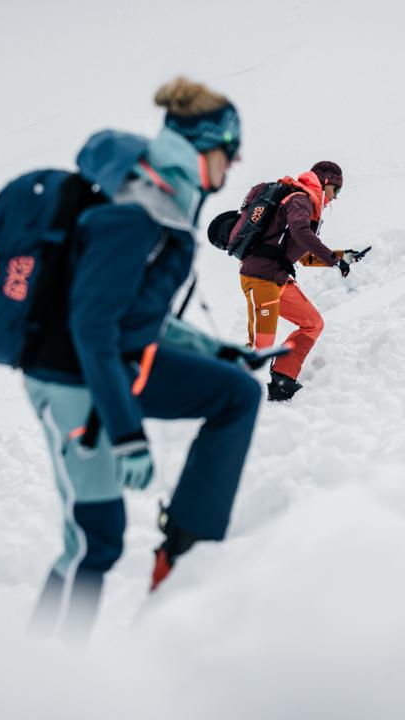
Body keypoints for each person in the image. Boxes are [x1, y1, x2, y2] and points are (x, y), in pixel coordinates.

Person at [23, 77, 262, 641]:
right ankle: (39, 673)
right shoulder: (134, 213)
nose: (235, 162)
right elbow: (92, 326)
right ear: (202, 149)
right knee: (94, 540)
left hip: (111, 363)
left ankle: (184, 557)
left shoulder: (164, 203)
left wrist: (213, 349)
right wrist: (128, 434)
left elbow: (134, 315)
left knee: (235, 392)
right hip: (70, 375)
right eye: (230, 149)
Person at [238, 161, 359, 402]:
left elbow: (302, 254)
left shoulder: (306, 205)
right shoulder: (300, 199)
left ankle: (282, 379)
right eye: (336, 190)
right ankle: (219, 389)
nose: (335, 197)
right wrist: (333, 261)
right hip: (260, 277)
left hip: (278, 278)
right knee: (261, 346)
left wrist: (341, 257)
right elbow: (300, 232)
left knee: (312, 323)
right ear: (325, 182)